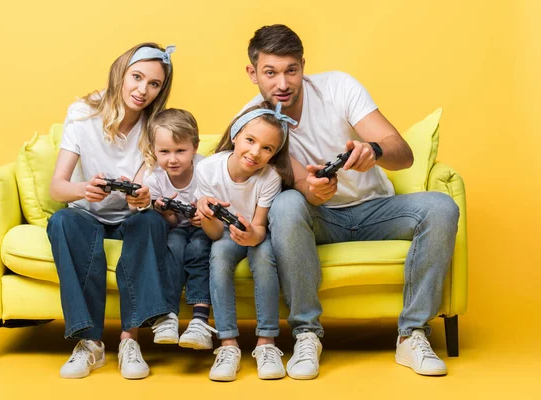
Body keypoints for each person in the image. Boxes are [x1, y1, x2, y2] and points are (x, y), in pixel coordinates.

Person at [241, 24, 459, 379]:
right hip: (319, 218)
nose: (282, 83)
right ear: (253, 74)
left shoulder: (338, 87)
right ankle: (307, 334)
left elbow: (402, 155)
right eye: (271, 72)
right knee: (286, 205)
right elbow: (299, 184)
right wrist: (314, 190)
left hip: (375, 210)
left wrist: (373, 150)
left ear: (302, 66)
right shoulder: (254, 121)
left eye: (291, 70)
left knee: (441, 206)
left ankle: (412, 334)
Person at [46, 43, 179, 380]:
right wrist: (83, 188)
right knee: (61, 220)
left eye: (154, 84)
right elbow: (57, 187)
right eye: (137, 77)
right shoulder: (82, 113)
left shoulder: (156, 126)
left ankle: (129, 341)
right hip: (85, 214)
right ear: (121, 72)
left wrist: (141, 198)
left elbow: (145, 187)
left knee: (150, 221)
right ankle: (89, 343)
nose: (143, 90)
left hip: (129, 218)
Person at [195, 101, 295, 382]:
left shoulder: (270, 177)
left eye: (267, 148)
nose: (255, 153)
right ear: (236, 135)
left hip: (256, 233)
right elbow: (214, 234)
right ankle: (228, 345)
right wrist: (206, 213)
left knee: (264, 257)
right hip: (224, 233)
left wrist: (253, 236)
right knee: (218, 256)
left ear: (274, 154)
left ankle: (267, 343)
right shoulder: (208, 170)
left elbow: (261, 227)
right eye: (250, 140)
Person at [141, 108, 217, 349]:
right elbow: (168, 224)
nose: (172, 159)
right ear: (154, 149)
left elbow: (221, 207)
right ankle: (168, 315)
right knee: (173, 245)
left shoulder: (206, 169)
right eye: (164, 151)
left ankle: (200, 319)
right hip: (175, 229)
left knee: (199, 247)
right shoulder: (153, 178)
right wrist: (167, 214)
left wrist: (204, 218)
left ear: (195, 148)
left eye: (180, 151)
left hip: (204, 230)